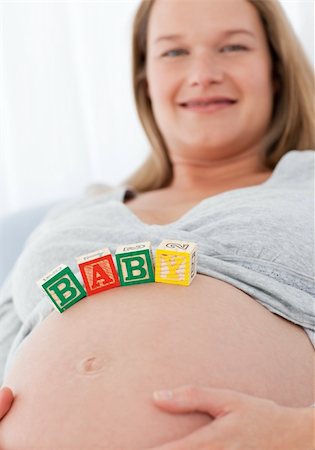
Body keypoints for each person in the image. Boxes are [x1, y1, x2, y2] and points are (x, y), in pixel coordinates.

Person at [0, 0, 314, 448]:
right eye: (173, 52)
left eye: (232, 48)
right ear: (145, 81)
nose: (203, 72)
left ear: (276, 70)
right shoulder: (69, 217)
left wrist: (300, 433)